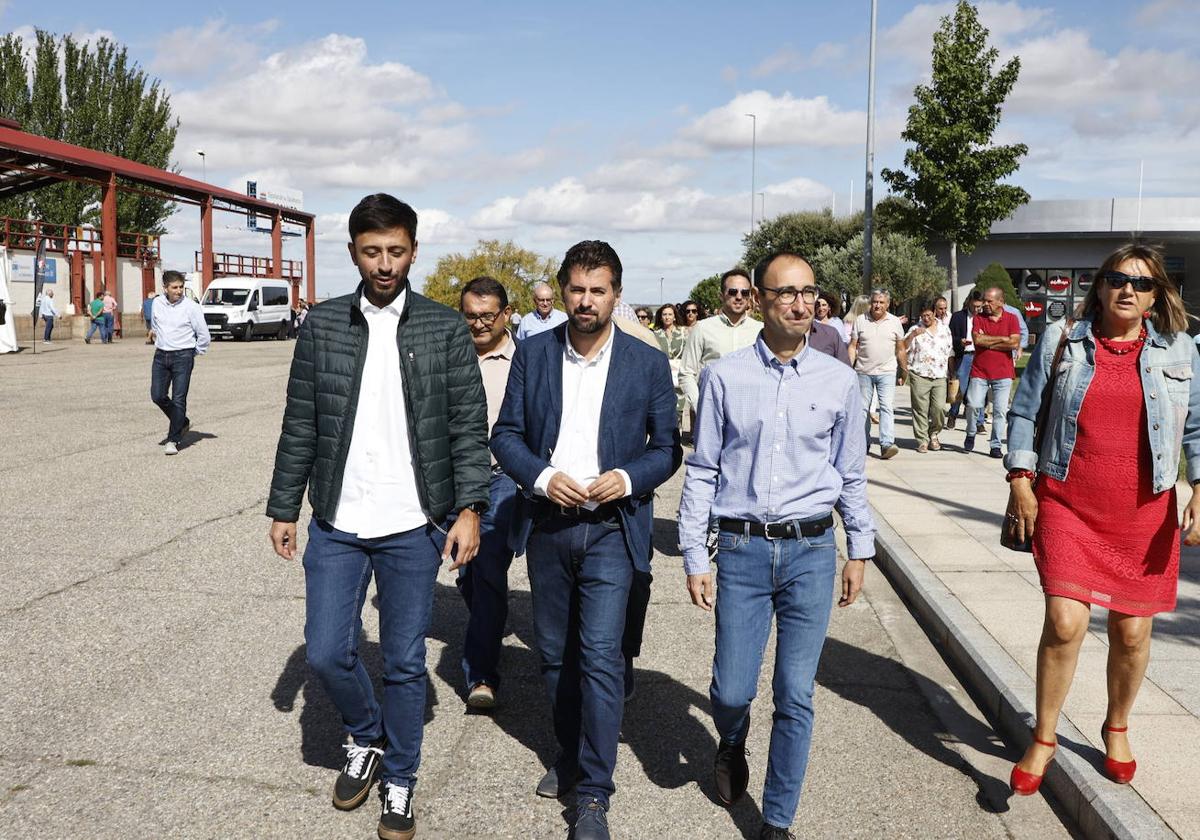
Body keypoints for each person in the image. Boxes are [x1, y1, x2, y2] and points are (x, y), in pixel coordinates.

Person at [266, 194, 490, 840]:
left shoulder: (444, 328)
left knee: (403, 660)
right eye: (372, 251)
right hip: (339, 518)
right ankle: (365, 735)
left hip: (414, 524)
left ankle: (399, 778)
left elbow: (468, 429)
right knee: (328, 650)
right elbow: (301, 422)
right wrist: (285, 506)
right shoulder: (325, 324)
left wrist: (470, 508)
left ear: (414, 251)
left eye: (396, 251)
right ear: (354, 253)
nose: (385, 263)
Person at [678, 251, 873, 840]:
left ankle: (778, 820)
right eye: (785, 292)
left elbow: (852, 473)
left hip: (812, 552)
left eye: (807, 292)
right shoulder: (725, 376)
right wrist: (695, 555)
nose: (799, 302)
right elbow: (703, 470)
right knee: (732, 689)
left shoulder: (839, 379)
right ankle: (731, 741)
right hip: (741, 552)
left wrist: (859, 548)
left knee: (795, 694)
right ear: (760, 300)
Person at [491, 240, 680, 840]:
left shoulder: (645, 363)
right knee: (554, 657)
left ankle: (594, 796)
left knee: (599, 656)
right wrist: (544, 478)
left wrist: (625, 478)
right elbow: (507, 435)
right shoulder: (535, 354)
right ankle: (569, 754)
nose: (586, 300)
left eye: (598, 290)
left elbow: (668, 447)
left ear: (616, 296)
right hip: (548, 525)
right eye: (576, 289)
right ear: (562, 291)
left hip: (611, 529)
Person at [1004, 243, 1200, 797]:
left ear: (1158, 294)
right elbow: (1025, 411)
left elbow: (1196, 430)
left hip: (1145, 512)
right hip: (1067, 501)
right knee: (1065, 623)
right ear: (1100, 285)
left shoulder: (1181, 350)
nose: (1127, 290)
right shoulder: (1062, 340)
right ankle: (1044, 736)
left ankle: (1116, 725)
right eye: (1117, 279)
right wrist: (1021, 479)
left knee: (1132, 633)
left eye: (1141, 283)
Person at [456, 275, 518, 710]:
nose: (478, 324)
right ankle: (491, 616)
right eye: (471, 316)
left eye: (487, 316)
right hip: (455, 478)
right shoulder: (451, 356)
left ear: (506, 315)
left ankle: (482, 674)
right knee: (467, 573)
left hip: (502, 478)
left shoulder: (528, 360)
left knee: (486, 566)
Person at [678, 269, 762, 414]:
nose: (739, 297)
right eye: (733, 292)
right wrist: (702, 407)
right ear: (721, 296)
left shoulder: (760, 330)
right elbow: (686, 372)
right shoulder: (702, 328)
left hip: (751, 414)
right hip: (712, 412)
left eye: (745, 293)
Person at [150, 271, 211, 455]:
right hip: (161, 355)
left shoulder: (191, 307)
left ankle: (173, 439)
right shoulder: (157, 303)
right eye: (174, 287)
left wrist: (194, 352)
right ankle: (182, 421)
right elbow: (155, 325)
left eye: (181, 287)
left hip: (183, 356)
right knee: (157, 395)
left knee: (178, 398)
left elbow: (204, 335)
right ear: (165, 288)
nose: (178, 291)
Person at [849, 288, 907, 459]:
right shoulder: (860, 320)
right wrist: (847, 367)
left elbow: (901, 348)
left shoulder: (894, 321)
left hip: (887, 371)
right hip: (863, 371)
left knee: (887, 407)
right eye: (875, 302)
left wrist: (904, 370)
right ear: (870, 303)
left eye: (881, 302)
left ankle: (886, 444)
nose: (877, 305)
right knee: (862, 409)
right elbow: (853, 346)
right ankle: (862, 443)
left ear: (887, 304)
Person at [963, 287, 1020, 457]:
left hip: (1003, 373)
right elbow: (978, 340)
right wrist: (1003, 339)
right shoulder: (979, 318)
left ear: (1001, 302)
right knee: (973, 405)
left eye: (990, 301)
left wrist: (990, 341)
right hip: (979, 371)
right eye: (985, 300)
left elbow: (1014, 343)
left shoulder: (1012, 318)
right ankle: (971, 432)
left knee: (1000, 411)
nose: (985, 304)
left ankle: (995, 445)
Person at [903, 301, 953, 452]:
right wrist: (912, 335)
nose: (926, 318)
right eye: (923, 315)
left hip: (939, 374)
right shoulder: (915, 329)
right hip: (920, 373)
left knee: (939, 408)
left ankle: (934, 433)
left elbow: (950, 352)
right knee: (920, 409)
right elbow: (903, 347)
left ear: (934, 313)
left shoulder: (944, 329)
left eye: (929, 315)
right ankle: (922, 440)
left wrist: (952, 372)